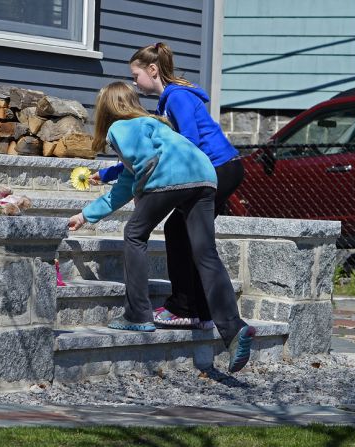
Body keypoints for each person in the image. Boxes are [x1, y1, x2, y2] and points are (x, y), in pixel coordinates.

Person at [68, 82, 255, 373]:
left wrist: (141, 197)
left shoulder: (120, 129)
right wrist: (87, 215)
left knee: (134, 234)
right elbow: (128, 181)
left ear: (106, 109)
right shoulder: (157, 124)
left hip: (172, 178)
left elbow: (142, 169)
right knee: (205, 254)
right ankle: (233, 329)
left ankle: (138, 315)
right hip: (205, 176)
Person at [90, 42, 244, 330]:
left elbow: (190, 145)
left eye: (136, 76)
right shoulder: (168, 101)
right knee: (185, 234)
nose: (135, 83)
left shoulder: (177, 98)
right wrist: (109, 173)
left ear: (152, 70)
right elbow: (163, 153)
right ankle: (200, 311)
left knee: (184, 233)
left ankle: (186, 307)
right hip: (214, 170)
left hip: (219, 167)